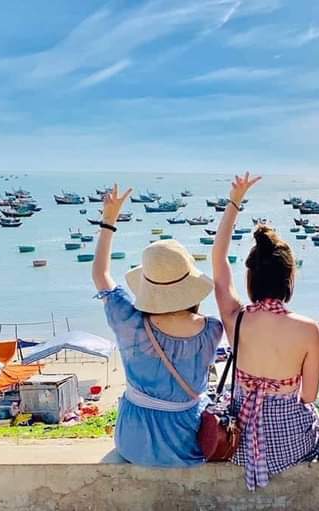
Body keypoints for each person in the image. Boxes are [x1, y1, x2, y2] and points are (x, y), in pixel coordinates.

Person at [92, 184, 223, 467]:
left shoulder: (128, 322)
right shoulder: (211, 330)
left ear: (148, 285)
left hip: (133, 441)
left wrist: (109, 220)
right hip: (186, 441)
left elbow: (101, 275)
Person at [212, 172, 319, 490]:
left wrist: (234, 201)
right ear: (289, 278)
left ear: (251, 278)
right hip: (290, 443)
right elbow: (309, 396)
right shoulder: (307, 329)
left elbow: (218, 258)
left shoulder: (236, 318)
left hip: (239, 442)